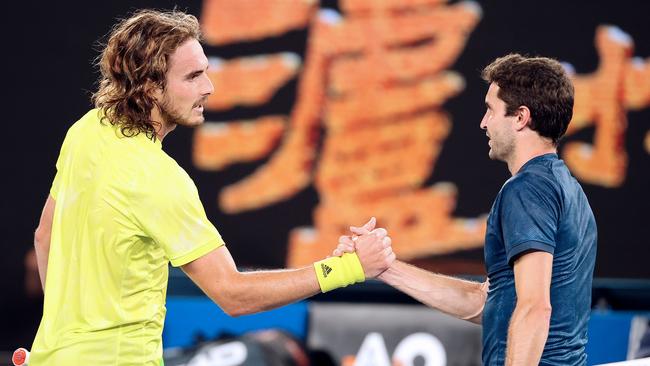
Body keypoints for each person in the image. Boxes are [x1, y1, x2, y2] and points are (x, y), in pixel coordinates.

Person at [31, 9, 395, 365]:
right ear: (150, 88)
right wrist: (349, 268)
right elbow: (234, 295)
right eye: (192, 77)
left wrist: (63, 339)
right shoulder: (158, 177)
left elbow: (44, 237)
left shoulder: (87, 130)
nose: (209, 87)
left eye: (206, 71)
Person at [335, 54, 597, 365]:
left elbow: (535, 307)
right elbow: (484, 302)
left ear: (520, 117)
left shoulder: (527, 189)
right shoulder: (563, 187)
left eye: (491, 110)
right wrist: (384, 268)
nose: (484, 122)